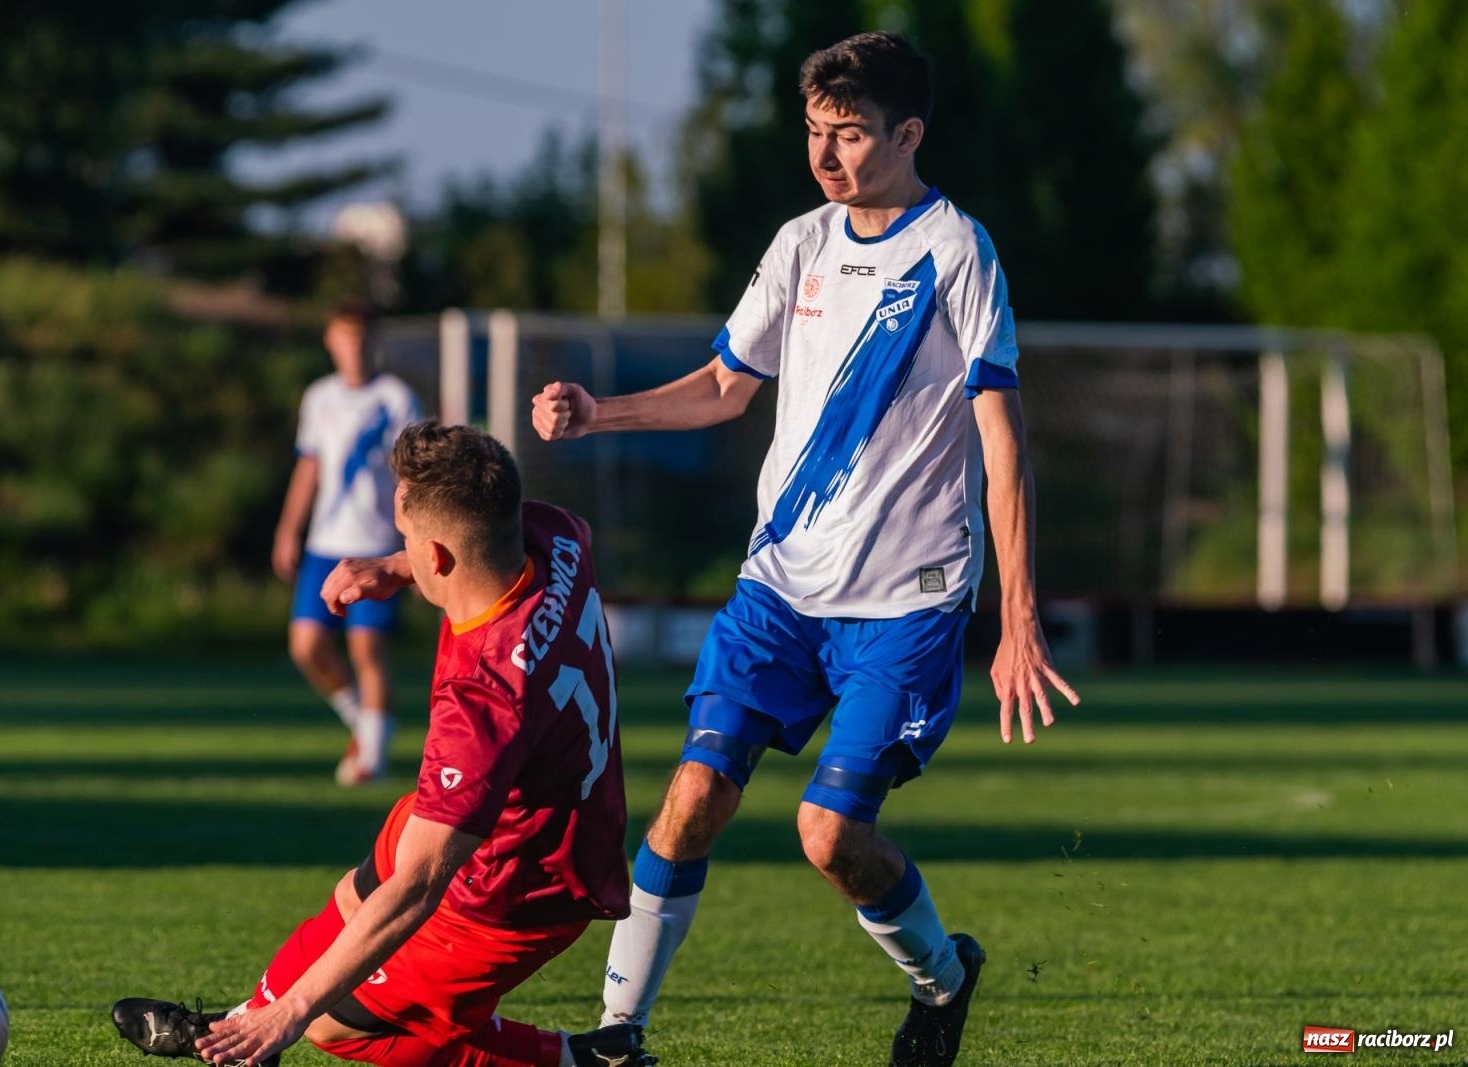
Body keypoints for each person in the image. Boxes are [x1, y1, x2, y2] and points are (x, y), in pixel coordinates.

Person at [531, 31, 1080, 1067]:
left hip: (907, 602)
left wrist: (1016, 617)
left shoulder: (957, 251)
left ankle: (943, 978)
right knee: (691, 797)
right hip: (780, 589)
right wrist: (601, 411)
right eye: (815, 130)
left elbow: (1002, 444)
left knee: (830, 835)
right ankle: (618, 1034)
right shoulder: (800, 244)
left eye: (852, 134)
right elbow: (723, 385)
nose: (826, 155)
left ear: (908, 135)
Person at [114, 421, 655, 1067]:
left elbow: (421, 886)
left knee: (334, 1026)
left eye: (404, 539)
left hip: (517, 886)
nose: (400, 549)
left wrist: (294, 1011)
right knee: (352, 898)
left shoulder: (483, 700)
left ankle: (570, 1060)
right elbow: (503, 540)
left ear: (439, 557)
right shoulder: (555, 536)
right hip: (499, 816)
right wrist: (397, 568)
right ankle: (239, 1025)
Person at [273, 297, 424, 785]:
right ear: (330, 341)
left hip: (375, 543)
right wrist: (288, 529)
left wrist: (415, 541)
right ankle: (363, 720)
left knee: (366, 648)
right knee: (306, 646)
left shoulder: (396, 398)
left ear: (373, 342)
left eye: (361, 337)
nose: (353, 347)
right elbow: (310, 466)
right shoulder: (319, 397)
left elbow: (413, 477)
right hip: (325, 543)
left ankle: (371, 762)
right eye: (345, 337)